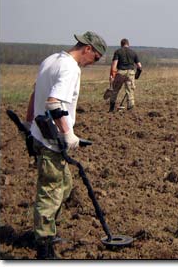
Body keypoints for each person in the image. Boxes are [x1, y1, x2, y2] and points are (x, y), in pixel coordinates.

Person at [25, 31, 107, 259]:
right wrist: (69, 134)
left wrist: (29, 122)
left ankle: (48, 231)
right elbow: (53, 103)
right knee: (50, 191)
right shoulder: (71, 68)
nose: (94, 63)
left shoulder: (51, 60)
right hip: (51, 140)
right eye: (96, 58)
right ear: (87, 48)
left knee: (65, 186)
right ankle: (43, 246)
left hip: (41, 135)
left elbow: (35, 93)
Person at [108, 38, 142, 112]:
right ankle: (130, 108)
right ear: (128, 44)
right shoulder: (133, 52)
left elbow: (114, 65)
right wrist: (137, 75)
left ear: (121, 44)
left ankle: (111, 108)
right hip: (130, 73)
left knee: (115, 90)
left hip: (120, 73)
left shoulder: (118, 52)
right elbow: (139, 66)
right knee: (130, 91)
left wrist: (112, 76)